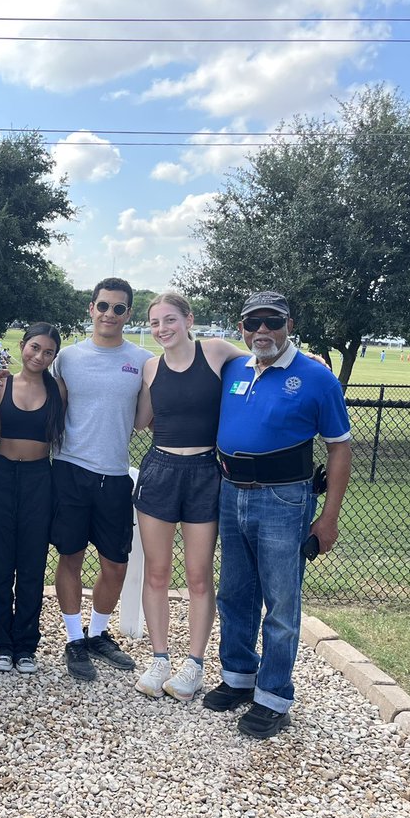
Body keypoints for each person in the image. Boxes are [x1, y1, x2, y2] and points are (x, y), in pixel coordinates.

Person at [203, 291, 351, 739]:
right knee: (235, 593)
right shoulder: (234, 369)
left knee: (281, 603)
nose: (262, 331)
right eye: (253, 323)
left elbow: (339, 448)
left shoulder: (315, 377)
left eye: (272, 321)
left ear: (288, 323)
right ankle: (239, 677)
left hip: (284, 498)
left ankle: (273, 697)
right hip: (232, 492)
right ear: (242, 328)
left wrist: (328, 518)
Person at [131, 292, 245, 701]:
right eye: (155, 322)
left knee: (199, 575)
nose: (162, 329)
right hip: (160, 471)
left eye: (169, 320)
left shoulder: (215, 352)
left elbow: (260, 360)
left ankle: (194, 664)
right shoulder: (149, 367)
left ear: (188, 319)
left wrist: (309, 362)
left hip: (204, 472)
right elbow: (143, 420)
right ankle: (159, 656)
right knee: (157, 572)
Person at [50, 278, 151, 682]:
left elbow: (148, 416)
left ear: (129, 314)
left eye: (119, 308)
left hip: (114, 474)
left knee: (116, 564)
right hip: (70, 471)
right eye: (103, 306)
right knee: (70, 556)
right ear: (91, 308)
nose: (110, 314)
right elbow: (50, 409)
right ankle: (74, 640)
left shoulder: (143, 360)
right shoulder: (68, 359)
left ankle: (98, 633)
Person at [0, 323, 66, 674]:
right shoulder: (1, 384)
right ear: (22, 346)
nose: (39, 356)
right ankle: (2, 643)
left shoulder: (59, 388)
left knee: (32, 564)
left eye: (48, 352)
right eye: (34, 348)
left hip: (39, 478)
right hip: (2, 474)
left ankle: (26, 644)